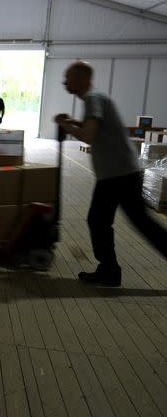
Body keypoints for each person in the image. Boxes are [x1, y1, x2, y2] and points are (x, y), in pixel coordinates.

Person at [55, 60, 167, 287]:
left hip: (118, 174)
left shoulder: (94, 99)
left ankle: (109, 270)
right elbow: (93, 127)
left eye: (68, 77)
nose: (64, 82)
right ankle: (109, 270)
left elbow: (88, 135)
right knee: (137, 221)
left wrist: (65, 125)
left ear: (82, 78)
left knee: (99, 220)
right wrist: (73, 121)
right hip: (120, 172)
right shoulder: (95, 99)